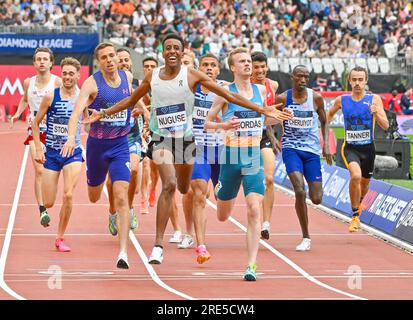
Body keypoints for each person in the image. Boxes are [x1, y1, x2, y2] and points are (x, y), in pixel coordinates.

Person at [84, 34, 292, 265]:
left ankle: (183, 222)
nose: (172, 51)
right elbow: (130, 100)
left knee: (184, 188)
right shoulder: (153, 76)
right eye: (168, 47)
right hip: (161, 138)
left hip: (185, 140)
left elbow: (229, 95)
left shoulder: (191, 75)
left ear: (182, 53)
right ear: (163, 52)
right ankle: (158, 246)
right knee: (170, 184)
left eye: (177, 48)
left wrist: (262, 110)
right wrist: (103, 114)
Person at [204, 47, 291, 281]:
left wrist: (281, 116)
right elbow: (207, 123)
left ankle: (251, 265)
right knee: (223, 215)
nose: (247, 64)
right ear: (232, 67)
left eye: (248, 61)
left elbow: (264, 119)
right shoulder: (224, 92)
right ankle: (220, 190)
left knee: (254, 210)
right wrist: (223, 126)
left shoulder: (261, 90)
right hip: (231, 157)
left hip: (253, 156)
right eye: (241, 61)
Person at [61, 42, 134, 269]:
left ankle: (123, 252)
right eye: (104, 58)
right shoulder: (92, 84)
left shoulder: (127, 76)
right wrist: (71, 138)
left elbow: (131, 101)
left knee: (123, 195)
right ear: (98, 62)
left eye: (112, 56)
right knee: (94, 195)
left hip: (122, 144)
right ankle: (109, 208)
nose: (110, 60)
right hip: (97, 147)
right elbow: (76, 113)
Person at [274, 65, 333, 251]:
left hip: (311, 151)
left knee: (316, 198)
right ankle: (306, 236)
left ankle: (307, 230)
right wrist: (273, 136)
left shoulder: (315, 98)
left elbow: (325, 121)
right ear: (292, 77)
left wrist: (325, 145)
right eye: (300, 76)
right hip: (291, 149)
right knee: (299, 190)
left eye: (306, 77)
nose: (303, 80)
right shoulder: (283, 98)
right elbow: (268, 117)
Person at [31, 57, 83, 252]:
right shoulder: (51, 96)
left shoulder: (83, 97)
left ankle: (60, 237)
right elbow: (35, 124)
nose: (68, 77)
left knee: (68, 195)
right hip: (52, 153)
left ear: (78, 75)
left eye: (71, 73)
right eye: (65, 73)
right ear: (61, 75)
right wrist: (38, 147)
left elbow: (92, 117)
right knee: (50, 202)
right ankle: (44, 209)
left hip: (73, 152)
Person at [328, 66, 389, 232]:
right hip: (350, 148)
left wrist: (377, 113)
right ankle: (355, 216)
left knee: (364, 185)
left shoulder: (374, 99)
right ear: (349, 81)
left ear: (366, 81)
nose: (357, 83)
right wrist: (322, 130)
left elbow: (386, 125)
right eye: (354, 79)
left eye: (360, 80)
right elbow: (329, 115)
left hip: (368, 149)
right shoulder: (342, 100)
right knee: (355, 175)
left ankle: (359, 204)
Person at [10, 47, 62, 227]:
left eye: (45, 59)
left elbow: (67, 100)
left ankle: (49, 197)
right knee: (39, 170)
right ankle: (42, 210)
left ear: (51, 63)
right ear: (34, 63)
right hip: (35, 129)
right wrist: (17, 113)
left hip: (55, 130)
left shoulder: (57, 82)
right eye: (38, 59)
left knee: (52, 170)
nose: (41, 62)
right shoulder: (28, 82)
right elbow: (25, 98)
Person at [180, 53, 224, 262]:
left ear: (218, 70)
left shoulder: (225, 90)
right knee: (198, 193)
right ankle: (201, 245)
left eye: (212, 66)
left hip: (222, 151)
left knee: (223, 203)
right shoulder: (190, 90)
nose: (208, 68)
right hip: (197, 148)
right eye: (204, 65)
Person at [105, 48, 145, 237]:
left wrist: (145, 114)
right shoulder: (106, 86)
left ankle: (128, 209)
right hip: (111, 138)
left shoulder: (139, 85)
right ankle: (113, 212)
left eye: (127, 60)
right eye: (120, 60)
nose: (124, 63)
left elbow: (149, 104)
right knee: (111, 181)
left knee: (134, 170)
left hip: (132, 136)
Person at [250, 51, 280, 240]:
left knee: (269, 179)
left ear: (267, 67)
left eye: (263, 67)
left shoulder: (273, 85)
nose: (260, 70)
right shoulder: (245, 87)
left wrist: (274, 136)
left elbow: (269, 115)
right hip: (243, 138)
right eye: (256, 67)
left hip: (262, 136)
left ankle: (266, 223)